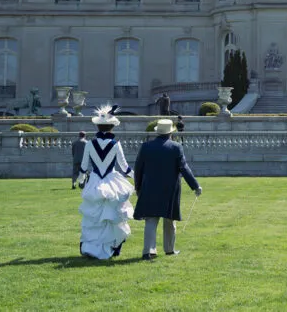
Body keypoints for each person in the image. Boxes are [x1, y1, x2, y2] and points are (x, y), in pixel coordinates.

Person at [134, 118, 202, 260]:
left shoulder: (146, 146)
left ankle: (148, 251)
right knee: (170, 220)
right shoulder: (176, 147)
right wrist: (195, 185)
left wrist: (138, 187)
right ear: (171, 133)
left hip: (149, 188)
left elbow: (138, 169)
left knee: (151, 220)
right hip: (170, 188)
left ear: (157, 132)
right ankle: (169, 249)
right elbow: (184, 168)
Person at [77, 104, 134, 259]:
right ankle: (114, 247)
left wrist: (80, 179)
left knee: (94, 219)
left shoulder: (89, 144)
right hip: (112, 182)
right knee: (113, 216)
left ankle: (90, 247)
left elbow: (83, 167)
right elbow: (125, 167)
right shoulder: (116, 144)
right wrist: (137, 177)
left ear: (98, 126)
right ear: (111, 127)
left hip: (95, 181)